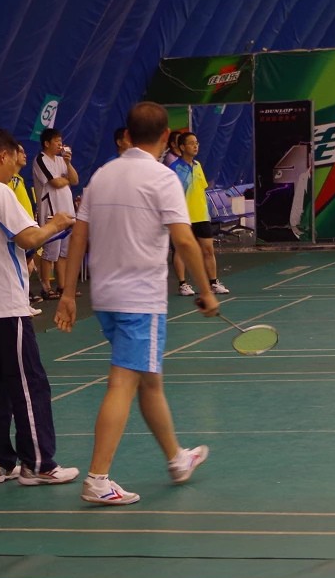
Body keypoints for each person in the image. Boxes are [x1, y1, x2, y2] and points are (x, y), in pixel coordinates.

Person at [52, 102, 219, 505]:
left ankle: (177, 458)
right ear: (166, 138)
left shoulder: (101, 176)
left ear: (127, 134)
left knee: (149, 379)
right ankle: (97, 479)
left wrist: (69, 293)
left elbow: (78, 237)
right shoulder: (163, 178)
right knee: (123, 383)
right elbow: (184, 240)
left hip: (106, 299)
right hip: (140, 300)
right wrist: (207, 289)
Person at [0, 127, 78, 485]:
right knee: (29, 385)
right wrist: (57, 223)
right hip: (5, 305)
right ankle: (39, 464)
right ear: (2, 156)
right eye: (13, 160)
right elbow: (28, 236)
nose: (15, 168)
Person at [171, 131, 229, 296]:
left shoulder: (197, 166)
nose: (195, 146)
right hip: (182, 217)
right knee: (181, 251)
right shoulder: (174, 169)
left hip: (201, 216)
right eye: (191, 143)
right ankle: (183, 284)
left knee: (208, 250)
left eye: (196, 143)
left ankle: (213, 283)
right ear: (182, 147)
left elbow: (201, 190)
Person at [33, 128, 79, 300]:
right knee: (50, 251)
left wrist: (68, 163)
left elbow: (75, 180)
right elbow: (56, 182)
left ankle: (62, 287)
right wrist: (65, 180)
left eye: (61, 140)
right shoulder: (40, 159)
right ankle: (46, 287)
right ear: (47, 143)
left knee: (64, 252)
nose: (60, 144)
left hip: (67, 211)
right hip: (51, 211)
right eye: (56, 141)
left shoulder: (61, 160)